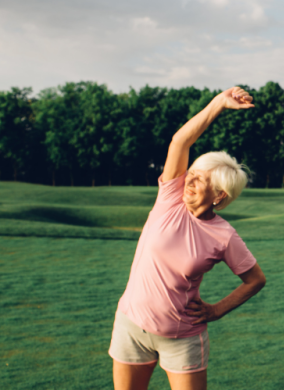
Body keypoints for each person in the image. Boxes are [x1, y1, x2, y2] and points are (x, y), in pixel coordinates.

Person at [108, 87, 266, 390]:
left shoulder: (224, 236)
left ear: (219, 195)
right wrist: (218, 103)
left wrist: (217, 310)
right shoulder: (169, 197)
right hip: (131, 326)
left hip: (182, 339)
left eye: (199, 179)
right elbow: (181, 141)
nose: (189, 181)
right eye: (191, 173)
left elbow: (255, 280)